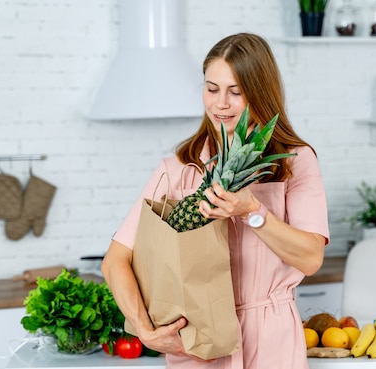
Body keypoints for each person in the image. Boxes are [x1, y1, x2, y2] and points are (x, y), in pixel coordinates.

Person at [101, 32, 329, 369]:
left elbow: (311, 258)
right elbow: (115, 260)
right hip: (198, 344)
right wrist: (146, 333)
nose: (220, 103)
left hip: (272, 341)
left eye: (235, 92)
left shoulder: (294, 162)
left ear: (260, 94)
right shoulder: (179, 168)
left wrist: (252, 211)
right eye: (212, 89)